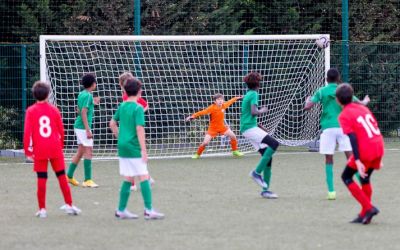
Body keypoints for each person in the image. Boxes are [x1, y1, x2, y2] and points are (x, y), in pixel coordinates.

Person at [304, 68, 369, 200]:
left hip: (328, 129)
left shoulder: (322, 91)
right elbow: (361, 104)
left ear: (327, 79)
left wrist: (307, 100)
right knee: (351, 158)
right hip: (343, 127)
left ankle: (331, 192)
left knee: (329, 159)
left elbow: (308, 107)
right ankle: (363, 186)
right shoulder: (343, 90)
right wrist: (366, 101)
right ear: (338, 78)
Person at [23, 81, 81, 218]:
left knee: (41, 178)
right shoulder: (54, 109)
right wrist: (61, 145)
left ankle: (42, 209)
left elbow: (27, 133)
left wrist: (28, 151)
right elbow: (61, 129)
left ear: (34, 95)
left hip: (40, 149)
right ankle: (69, 205)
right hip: (55, 147)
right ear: (48, 94)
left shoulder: (31, 111)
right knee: (61, 176)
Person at [109, 77, 164, 220]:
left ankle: (121, 210)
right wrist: (144, 150)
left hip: (122, 146)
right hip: (133, 147)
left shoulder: (122, 106)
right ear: (139, 91)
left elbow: (112, 123)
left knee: (128, 177)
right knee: (144, 176)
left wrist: (120, 137)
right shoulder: (138, 108)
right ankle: (148, 210)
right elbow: (140, 129)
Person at [336, 83, 383, 224]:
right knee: (365, 179)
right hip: (378, 145)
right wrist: (378, 155)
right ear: (352, 97)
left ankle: (368, 208)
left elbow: (352, 138)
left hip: (366, 151)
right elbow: (375, 127)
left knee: (346, 177)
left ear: (338, 100)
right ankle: (364, 214)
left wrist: (357, 160)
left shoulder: (344, 115)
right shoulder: (363, 108)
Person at [240, 72, 279, 199]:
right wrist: (263, 110)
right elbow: (253, 112)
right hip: (249, 128)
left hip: (249, 128)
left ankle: (265, 190)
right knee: (274, 143)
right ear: (257, 83)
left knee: (268, 157)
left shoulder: (249, 94)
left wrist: (260, 127)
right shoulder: (254, 94)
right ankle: (256, 173)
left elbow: (248, 115)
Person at [118, 71, 154, 191]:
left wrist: (138, 114)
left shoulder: (129, 98)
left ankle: (142, 179)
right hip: (130, 130)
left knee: (134, 156)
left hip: (131, 130)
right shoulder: (125, 98)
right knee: (134, 156)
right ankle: (143, 179)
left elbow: (145, 105)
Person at [67, 73, 100, 188]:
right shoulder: (88, 96)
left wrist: (93, 103)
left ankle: (69, 176)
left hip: (79, 126)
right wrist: (87, 130)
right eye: (95, 82)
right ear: (93, 84)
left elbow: (78, 109)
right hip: (82, 127)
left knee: (81, 151)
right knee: (89, 151)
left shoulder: (82, 94)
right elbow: (83, 112)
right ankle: (87, 179)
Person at [186, 93, 244, 159]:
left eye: (222, 99)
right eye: (218, 99)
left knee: (233, 136)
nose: (220, 101)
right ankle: (197, 154)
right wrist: (193, 116)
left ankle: (235, 151)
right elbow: (202, 112)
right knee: (205, 142)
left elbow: (231, 101)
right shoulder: (211, 108)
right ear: (214, 101)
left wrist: (238, 98)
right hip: (212, 129)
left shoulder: (224, 105)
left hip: (222, 127)